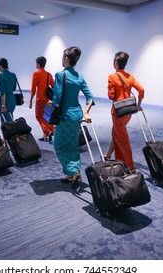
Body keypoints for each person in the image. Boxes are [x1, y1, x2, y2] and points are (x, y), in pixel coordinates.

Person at [53, 46, 95, 187]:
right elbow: (90, 97)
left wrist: (51, 101)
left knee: (58, 144)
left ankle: (72, 171)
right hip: (77, 115)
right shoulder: (80, 76)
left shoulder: (60, 74)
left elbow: (57, 97)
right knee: (72, 145)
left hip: (65, 116)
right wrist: (86, 112)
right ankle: (74, 171)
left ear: (66, 58)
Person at [106, 51, 144, 172]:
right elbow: (141, 90)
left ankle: (129, 166)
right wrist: (138, 105)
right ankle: (107, 155)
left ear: (116, 63)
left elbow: (111, 96)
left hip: (118, 112)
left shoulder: (112, 77)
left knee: (123, 139)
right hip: (128, 111)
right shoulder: (130, 77)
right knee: (117, 133)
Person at [29, 56, 55, 142]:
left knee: (39, 116)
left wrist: (30, 101)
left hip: (40, 99)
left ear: (38, 64)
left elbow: (33, 90)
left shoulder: (36, 74)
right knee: (47, 116)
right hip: (48, 100)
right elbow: (54, 86)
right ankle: (51, 131)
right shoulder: (48, 74)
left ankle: (47, 131)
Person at [0, 57, 16, 123]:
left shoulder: (0, 76)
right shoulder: (13, 75)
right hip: (12, 100)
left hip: (4, 101)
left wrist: (3, 105)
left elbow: (2, 91)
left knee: (4, 122)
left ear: (0, 66)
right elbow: (14, 88)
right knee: (10, 120)